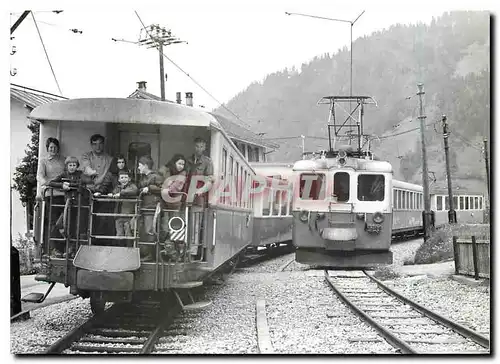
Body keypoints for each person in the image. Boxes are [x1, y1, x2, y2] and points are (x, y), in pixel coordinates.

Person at [49, 156, 91, 258]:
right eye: (70, 165)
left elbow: (88, 181)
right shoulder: (64, 174)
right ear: (66, 166)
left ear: (77, 166)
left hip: (79, 206)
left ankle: (72, 250)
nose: (72, 167)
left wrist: (76, 185)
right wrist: (62, 185)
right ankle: (57, 249)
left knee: (76, 228)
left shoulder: (80, 174)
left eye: (74, 165)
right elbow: (51, 182)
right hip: (68, 207)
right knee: (60, 224)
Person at [80, 134, 114, 240]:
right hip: (88, 191)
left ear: (103, 145)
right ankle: (84, 239)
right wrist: (92, 172)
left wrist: (102, 187)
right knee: (85, 216)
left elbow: (109, 175)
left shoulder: (110, 159)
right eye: (95, 144)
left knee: (101, 218)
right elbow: (86, 168)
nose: (97, 146)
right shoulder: (86, 156)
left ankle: (98, 241)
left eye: (100, 144)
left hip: (103, 192)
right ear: (91, 145)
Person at [36, 137, 66, 254]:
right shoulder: (44, 161)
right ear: (47, 148)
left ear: (58, 148)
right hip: (51, 194)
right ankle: (55, 248)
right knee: (53, 222)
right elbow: (40, 176)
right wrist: (46, 183)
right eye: (51, 147)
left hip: (63, 195)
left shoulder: (63, 160)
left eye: (55, 147)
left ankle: (64, 248)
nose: (53, 149)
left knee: (63, 222)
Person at [186, 138, 215, 258]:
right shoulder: (187, 160)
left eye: (201, 147)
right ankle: (181, 249)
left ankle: (192, 252)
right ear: (194, 146)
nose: (199, 149)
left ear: (205, 148)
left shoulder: (207, 162)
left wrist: (200, 191)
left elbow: (210, 181)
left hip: (198, 198)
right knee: (183, 223)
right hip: (185, 196)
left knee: (195, 225)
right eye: (197, 146)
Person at [137, 155, 165, 262]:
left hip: (152, 208)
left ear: (145, 166)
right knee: (145, 231)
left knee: (150, 231)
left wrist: (149, 188)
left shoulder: (156, 177)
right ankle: (146, 253)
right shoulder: (144, 177)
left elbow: (163, 189)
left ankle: (150, 255)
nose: (138, 168)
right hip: (145, 207)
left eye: (139, 166)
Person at [160, 154, 187, 261]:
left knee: (175, 228)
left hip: (176, 204)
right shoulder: (167, 171)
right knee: (165, 228)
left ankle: (176, 253)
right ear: (174, 163)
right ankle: (168, 251)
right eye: (179, 163)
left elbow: (173, 189)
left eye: (183, 164)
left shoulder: (182, 175)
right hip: (166, 204)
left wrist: (165, 187)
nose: (181, 166)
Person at [108, 170, 138, 245]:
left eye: (125, 177)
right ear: (119, 179)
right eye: (122, 177)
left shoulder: (132, 186)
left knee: (128, 234)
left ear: (129, 179)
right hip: (118, 215)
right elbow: (114, 192)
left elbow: (134, 190)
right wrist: (112, 194)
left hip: (128, 215)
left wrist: (121, 193)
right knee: (119, 234)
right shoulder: (118, 187)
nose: (124, 179)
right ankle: (120, 250)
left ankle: (129, 250)